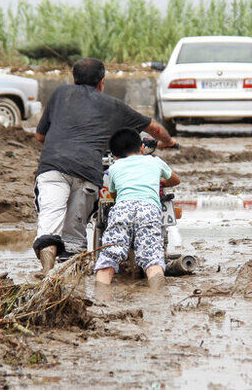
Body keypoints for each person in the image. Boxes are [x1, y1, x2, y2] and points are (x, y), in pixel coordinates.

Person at [33, 58, 177, 275]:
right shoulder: (114, 106)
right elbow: (155, 128)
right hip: (87, 173)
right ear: (102, 82)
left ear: (74, 79)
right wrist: (169, 142)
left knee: (49, 220)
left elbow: (39, 136)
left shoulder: (59, 94)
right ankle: (74, 282)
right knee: (75, 234)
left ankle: (46, 273)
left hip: (53, 168)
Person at [94, 128, 180, 289]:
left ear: (115, 154)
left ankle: (100, 299)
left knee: (109, 257)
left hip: (122, 208)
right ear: (142, 147)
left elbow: (113, 193)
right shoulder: (155, 161)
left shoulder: (114, 167)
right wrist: (159, 182)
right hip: (148, 209)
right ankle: (157, 300)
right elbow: (175, 180)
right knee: (152, 258)